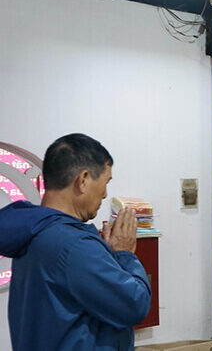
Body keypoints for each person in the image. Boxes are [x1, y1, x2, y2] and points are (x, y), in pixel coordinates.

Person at [0, 133, 151, 351]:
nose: (105, 194)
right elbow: (135, 304)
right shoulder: (74, 244)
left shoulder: (33, 232)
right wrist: (124, 254)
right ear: (83, 180)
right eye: (105, 182)